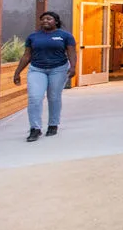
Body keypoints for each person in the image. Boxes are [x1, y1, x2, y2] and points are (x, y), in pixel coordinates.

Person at [13, 11, 77, 142]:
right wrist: (17, 72)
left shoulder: (65, 36)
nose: (45, 21)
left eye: (49, 19)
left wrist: (73, 67)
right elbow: (27, 56)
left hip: (58, 69)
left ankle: (53, 124)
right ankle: (35, 128)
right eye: (42, 19)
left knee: (53, 97)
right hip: (37, 69)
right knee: (34, 98)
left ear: (56, 21)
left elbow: (71, 52)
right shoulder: (33, 37)